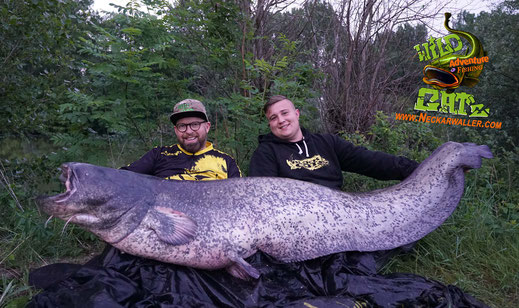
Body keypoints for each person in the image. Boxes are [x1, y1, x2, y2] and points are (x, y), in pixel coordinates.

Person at [249, 95, 417, 188]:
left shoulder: (327, 143)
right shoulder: (265, 153)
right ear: (270, 124)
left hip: (339, 210)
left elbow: (369, 161)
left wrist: (414, 169)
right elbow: (264, 197)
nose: (281, 120)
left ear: (297, 114)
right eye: (273, 117)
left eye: (285, 113)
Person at [123, 98, 241, 180]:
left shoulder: (226, 161)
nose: (189, 131)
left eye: (195, 124)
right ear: (176, 130)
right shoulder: (158, 155)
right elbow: (119, 179)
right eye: (182, 126)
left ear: (207, 127)